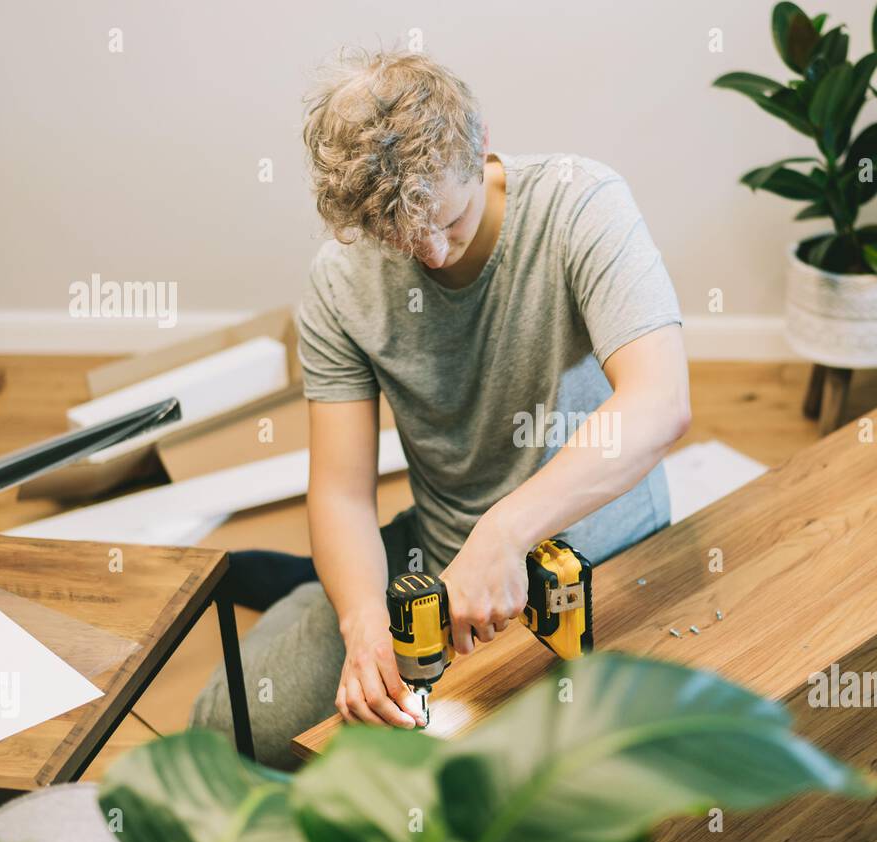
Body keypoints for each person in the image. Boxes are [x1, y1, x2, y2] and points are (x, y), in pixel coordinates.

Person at [191, 48, 690, 767]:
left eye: (449, 221)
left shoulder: (582, 203)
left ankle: (303, 584)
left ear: (481, 144)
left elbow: (661, 401)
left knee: (542, 776)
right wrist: (364, 621)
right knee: (232, 728)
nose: (428, 251)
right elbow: (338, 491)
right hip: (437, 564)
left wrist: (506, 534)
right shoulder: (340, 284)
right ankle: (317, 593)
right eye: (397, 239)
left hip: (601, 558)